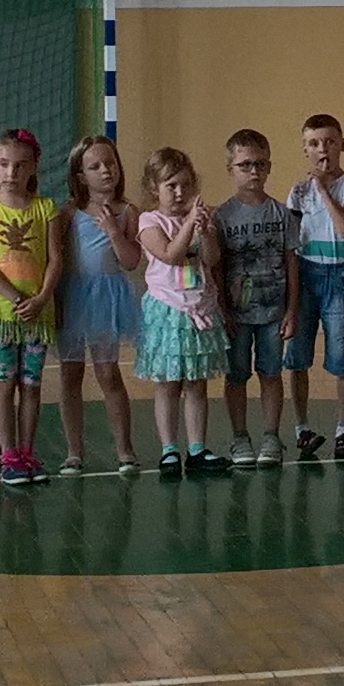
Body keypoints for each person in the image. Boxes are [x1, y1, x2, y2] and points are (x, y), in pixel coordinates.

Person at [0, 129, 63, 486]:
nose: (12, 173)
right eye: (5, 164)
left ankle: (27, 452)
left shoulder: (45, 208)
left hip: (37, 316)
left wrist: (41, 298)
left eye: (21, 165)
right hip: (1, 315)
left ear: (33, 167)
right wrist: (15, 298)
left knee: (31, 385)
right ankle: (8, 454)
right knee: (4, 383)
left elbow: (55, 259)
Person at [54, 135, 140, 477]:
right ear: (80, 176)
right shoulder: (68, 213)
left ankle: (125, 450)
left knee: (108, 372)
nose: (106, 170)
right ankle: (73, 451)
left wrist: (114, 231)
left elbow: (131, 261)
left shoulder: (127, 212)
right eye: (95, 166)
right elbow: (58, 257)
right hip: (73, 296)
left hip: (107, 298)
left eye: (110, 163)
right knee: (70, 374)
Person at [135, 147, 222, 475]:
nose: (179, 192)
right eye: (170, 185)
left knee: (196, 383)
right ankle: (169, 448)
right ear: (154, 188)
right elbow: (171, 254)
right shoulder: (149, 222)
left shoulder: (199, 219)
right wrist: (188, 225)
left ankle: (197, 448)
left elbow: (211, 259)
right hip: (167, 311)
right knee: (169, 383)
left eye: (185, 184)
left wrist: (205, 230)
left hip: (199, 308)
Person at [214, 129, 297, 468]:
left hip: (273, 313)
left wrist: (291, 310)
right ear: (230, 169)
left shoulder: (281, 214)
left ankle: (271, 436)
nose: (253, 171)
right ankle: (239, 437)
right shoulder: (223, 216)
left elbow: (292, 263)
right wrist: (223, 310)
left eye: (260, 164)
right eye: (245, 164)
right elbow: (217, 267)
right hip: (237, 316)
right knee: (236, 376)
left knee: (271, 373)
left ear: (269, 167)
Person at [287, 113, 344, 460]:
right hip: (306, 275)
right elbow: (291, 240)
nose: (323, 150)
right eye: (314, 143)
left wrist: (322, 189)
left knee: (341, 352)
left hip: (339, 277)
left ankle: (343, 429)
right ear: (305, 149)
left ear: (342, 145)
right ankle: (302, 427)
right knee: (298, 354)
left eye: (330, 142)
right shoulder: (297, 192)